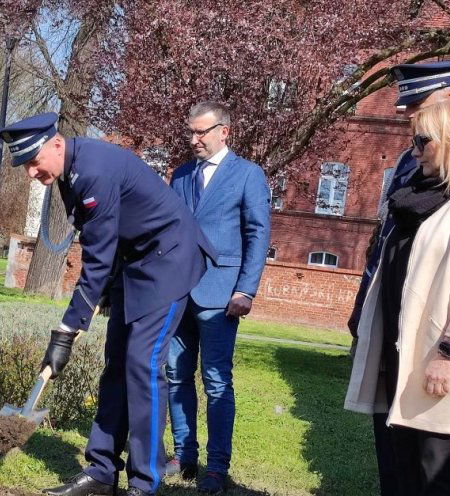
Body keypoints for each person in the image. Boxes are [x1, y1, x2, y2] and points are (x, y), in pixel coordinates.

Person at [0, 113, 216, 496]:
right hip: (135, 263)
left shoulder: (93, 171)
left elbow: (96, 259)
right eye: (25, 165)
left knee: (142, 364)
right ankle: (100, 472)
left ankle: (145, 482)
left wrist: (65, 331)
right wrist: (94, 300)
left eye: (34, 161)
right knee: (116, 363)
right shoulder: (70, 173)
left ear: (57, 144)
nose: (31, 172)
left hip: (169, 262)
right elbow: (104, 240)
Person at [344, 99, 450, 496]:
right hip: (404, 354)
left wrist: (449, 352)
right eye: (413, 141)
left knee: (437, 471)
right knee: (402, 468)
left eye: (423, 141)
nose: (415, 151)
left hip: (443, 361)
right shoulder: (420, 196)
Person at [345, 59, 450, 496]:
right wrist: (364, 311)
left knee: (432, 465)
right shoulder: (406, 159)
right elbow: (384, 241)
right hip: (392, 325)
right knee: (393, 457)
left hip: (432, 337)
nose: (412, 119)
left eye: (420, 105)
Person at [164, 101, 271, 493]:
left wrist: (245, 289)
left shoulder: (248, 175)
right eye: (190, 132)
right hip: (179, 294)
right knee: (176, 375)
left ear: (224, 131)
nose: (193, 140)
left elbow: (257, 235)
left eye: (201, 133)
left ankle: (216, 467)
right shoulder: (180, 176)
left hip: (221, 295)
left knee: (216, 381)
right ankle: (184, 455)